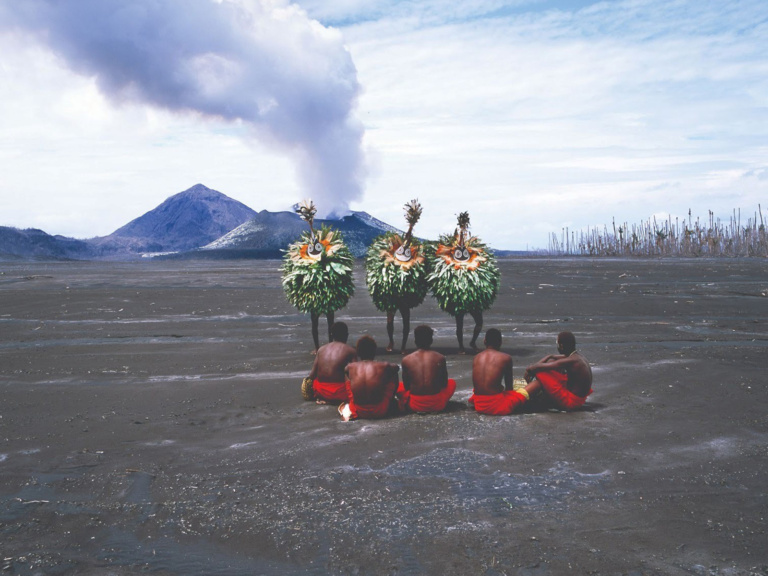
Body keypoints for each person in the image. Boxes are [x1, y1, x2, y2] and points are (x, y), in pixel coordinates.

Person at [282, 200, 355, 353]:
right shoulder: (306, 261)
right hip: (315, 295)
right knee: (318, 322)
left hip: (326, 294)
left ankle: (327, 345)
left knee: (327, 322)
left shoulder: (328, 258)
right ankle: (318, 347)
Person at [426, 212, 500, 354]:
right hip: (458, 299)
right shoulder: (451, 264)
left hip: (472, 299)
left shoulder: (474, 263)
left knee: (479, 321)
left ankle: (472, 341)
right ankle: (461, 346)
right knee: (459, 323)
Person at [365, 200, 429, 354]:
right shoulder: (390, 261)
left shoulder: (412, 265)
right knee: (390, 319)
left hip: (405, 297)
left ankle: (403, 345)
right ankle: (392, 341)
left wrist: (411, 227)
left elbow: (408, 240)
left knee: (406, 319)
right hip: (392, 296)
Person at [524, 331, 593, 411]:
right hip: (579, 399)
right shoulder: (577, 356)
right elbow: (552, 359)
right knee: (550, 362)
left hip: (572, 403)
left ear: (561, 346)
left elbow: (538, 367)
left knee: (541, 373)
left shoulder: (571, 360)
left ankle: (532, 394)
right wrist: (549, 356)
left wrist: (529, 370)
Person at [468, 328, 530, 415]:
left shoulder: (476, 357)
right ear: (500, 342)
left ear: (484, 341)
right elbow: (509, 388)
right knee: (534, 385)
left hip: (479, 403)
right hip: (496, 406)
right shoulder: (506, 358)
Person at [397, 325, 456, 413]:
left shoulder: (406, 359)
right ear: (431, 340)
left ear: (415, 341)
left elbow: (406, 386)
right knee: (452, 383)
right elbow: (444, 384)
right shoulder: (440, 357)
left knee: (398, 386)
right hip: (437, 404)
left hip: (414, 405)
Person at [338, 336, 400, 421]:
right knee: (392, 373)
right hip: (380, 410)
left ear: (358, 353)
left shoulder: (350, 367)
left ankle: (351, 400)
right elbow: (396, 368)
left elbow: (345, 370)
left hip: (358, 410)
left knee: (347, 375)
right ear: (374, 352)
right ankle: (392, 399)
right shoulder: (383, 365)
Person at [302, 322, 357, 404]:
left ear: (332, 335)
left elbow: (312, 375)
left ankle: (326, 399)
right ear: (346, 335)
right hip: (340, 392)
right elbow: (356, 375)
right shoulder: (350, 350)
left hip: (321, 391)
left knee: (316, 381)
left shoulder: (321, 349)